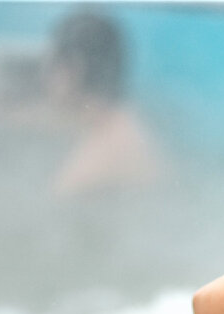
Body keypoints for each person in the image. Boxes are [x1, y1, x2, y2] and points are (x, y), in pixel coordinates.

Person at [45, 10, 160, 196]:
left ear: (74, 69)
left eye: (52, 65)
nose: (46, 78)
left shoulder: (86, 174)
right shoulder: (126, 127)